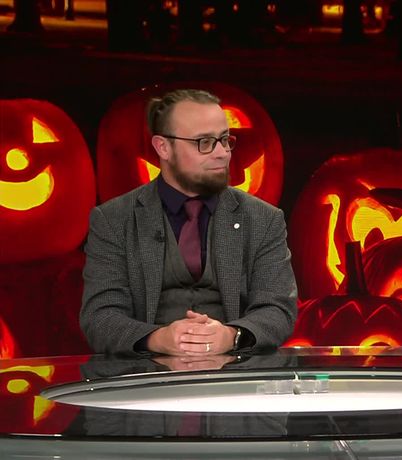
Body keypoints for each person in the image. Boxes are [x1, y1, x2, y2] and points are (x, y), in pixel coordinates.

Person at [80, 89, 297, 356]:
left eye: (225, 140)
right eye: (204, 142)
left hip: (237, 371)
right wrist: (157, 339)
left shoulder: (263, 219)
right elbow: (100, 317)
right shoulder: (114, 220)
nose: (222, 153)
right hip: (144, 374)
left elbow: (278, 309)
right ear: (163, 147)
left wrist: (231, 336)